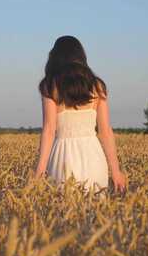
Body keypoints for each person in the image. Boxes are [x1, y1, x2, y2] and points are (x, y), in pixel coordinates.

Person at [33, 35, 127, 193]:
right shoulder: (97, 85)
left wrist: (40, 171)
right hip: (94, 157)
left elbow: (49, 130)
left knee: (62, 212)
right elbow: (105, 132)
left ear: (55, 57)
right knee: (95, 212)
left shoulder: (50, 85)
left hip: (63, 157)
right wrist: (116, 171)